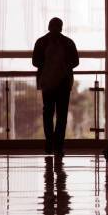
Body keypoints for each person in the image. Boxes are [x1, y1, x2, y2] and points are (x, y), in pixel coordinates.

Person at [32, 17, 79, 156]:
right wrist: (63, 67)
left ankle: (49, 144)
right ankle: (58, 146)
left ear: (49, 26)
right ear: (61, 27)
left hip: (47, 82)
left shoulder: (41, 42)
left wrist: (48, 67)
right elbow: (75, 62)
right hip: (63, 83)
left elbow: (35, 61)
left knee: (48, 114)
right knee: (61, 115)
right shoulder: (68, 43)